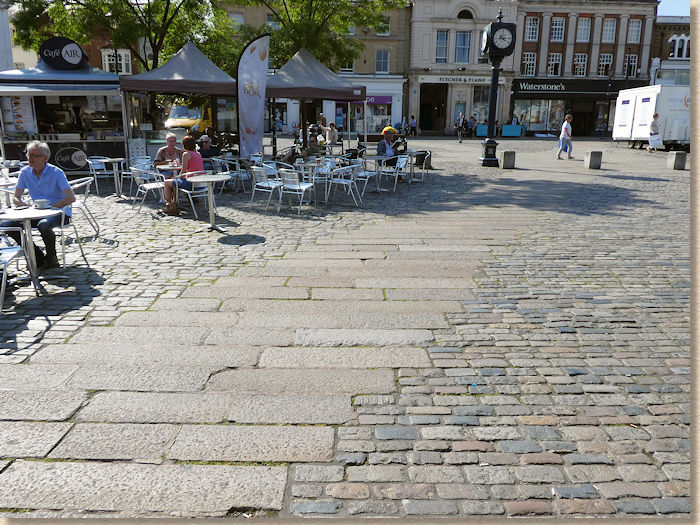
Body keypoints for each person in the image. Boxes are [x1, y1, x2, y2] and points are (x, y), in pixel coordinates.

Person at [0, 141, 75, 270]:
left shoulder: (56, 172)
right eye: (29, 155)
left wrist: (51, 207)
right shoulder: (25, 172)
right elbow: (16, 197)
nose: (30, 159)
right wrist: (21, 204)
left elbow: (70, 198)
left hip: (58, 213)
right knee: (6, 225)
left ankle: (52, 258)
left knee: (43, 225)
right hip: (35, 213)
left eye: (34, 156)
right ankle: (36, 256)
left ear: (44, 158)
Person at [162, 135, 204, 213]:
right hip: (201, 183)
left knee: (167, 182)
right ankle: (174, 203)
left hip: (191, 183)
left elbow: (183, 170)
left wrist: (177, 178)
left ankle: (168, 204)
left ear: (184, 145)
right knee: (175, 183)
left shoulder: (186, 154)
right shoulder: (198, 154)